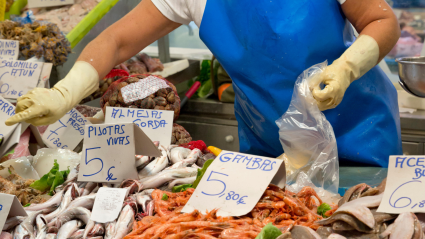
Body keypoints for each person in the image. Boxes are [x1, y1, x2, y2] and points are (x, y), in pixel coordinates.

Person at [6, 0, 402, 167]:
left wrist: (347, 68)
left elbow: (382, 20)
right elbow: (116, 40)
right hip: (269, 141)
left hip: (357, 129)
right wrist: (66, 92)